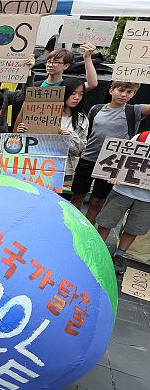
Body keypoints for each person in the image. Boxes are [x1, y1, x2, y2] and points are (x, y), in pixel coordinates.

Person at [71, 81, 150, 223]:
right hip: (88, 158)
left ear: (134, 94)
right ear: (111, 90)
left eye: (129, 92)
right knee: (78, 195)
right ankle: (73, 224)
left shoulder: (134, 111)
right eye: (121, 90)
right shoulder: (96, 109)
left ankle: (88, 230)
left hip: (111, 164)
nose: (124, 94)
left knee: (97, 201)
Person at [95, 131, 150, 274]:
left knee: (134, 228)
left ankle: (119, 255)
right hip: (123, 190)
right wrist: (114, 174)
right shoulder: (142, 137)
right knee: (106, 221)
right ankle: (97, 250)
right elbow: (120, 157)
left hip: (147, 198)